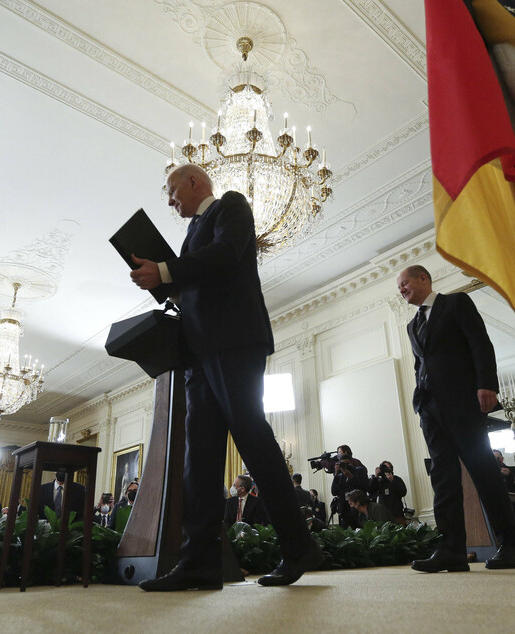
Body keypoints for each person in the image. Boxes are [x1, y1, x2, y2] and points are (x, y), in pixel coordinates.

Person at [130, 164, 322, 590]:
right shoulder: (188, 235)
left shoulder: (231, 205)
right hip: (199, 352)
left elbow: (225, 255)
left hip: (235, 343)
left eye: (172, 190)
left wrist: (165, 271)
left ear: (195, 182)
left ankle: (298, 547)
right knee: (199, 456)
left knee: (253, 439)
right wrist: (167, 285)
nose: (169, 200)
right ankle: (199, 562)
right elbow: (199, 282)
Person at [397, 265, 515, 572]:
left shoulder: (455, 303)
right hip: (430, 408)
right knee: (442, 478)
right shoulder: (411, 325)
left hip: (461, 402)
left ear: (423, 279)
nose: (401, 290)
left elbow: (480, 343)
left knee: (483, 469)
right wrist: (419, 401)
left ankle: (512, 543)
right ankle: (452, 549)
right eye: (399, 288)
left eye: (405, 284)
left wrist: (487, 385)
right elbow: (421, 364)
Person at [330, 445, 368, 528]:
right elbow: (334, 492)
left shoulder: (359, 471)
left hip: (358, 508)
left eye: (347, 464)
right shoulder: (340, 476)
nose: (345, 466)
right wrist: (336, 474)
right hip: (345, 509)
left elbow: (363, 487)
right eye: (343, 464)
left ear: (351, 463)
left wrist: (350, 477)